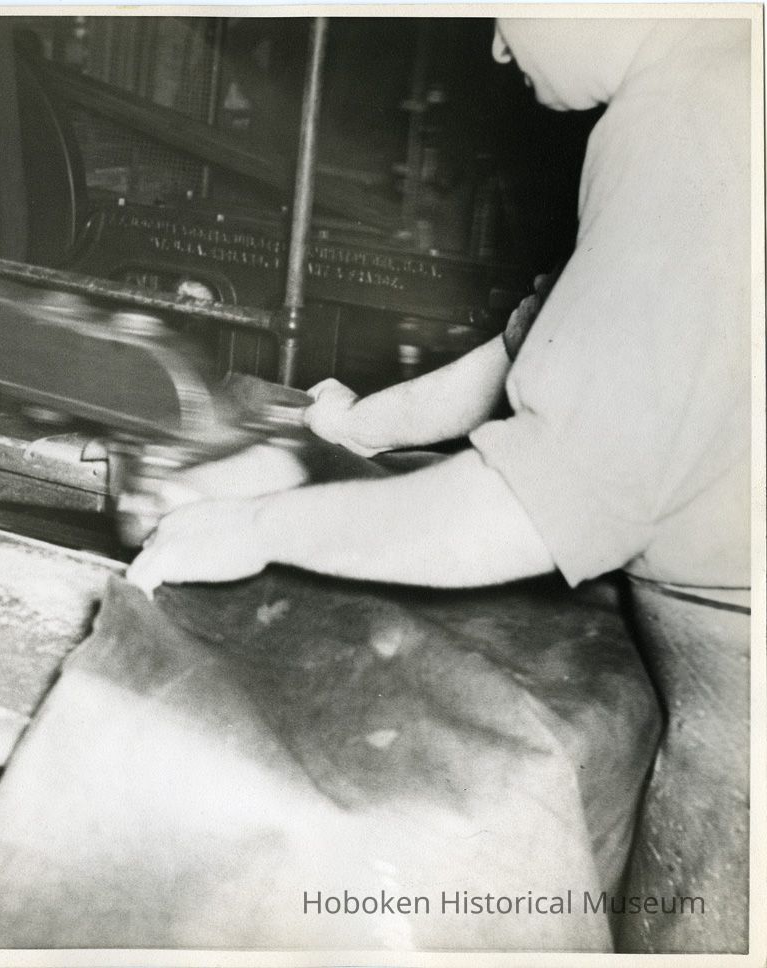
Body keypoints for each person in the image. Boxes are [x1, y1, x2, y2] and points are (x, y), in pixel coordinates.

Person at [128, 18, 752, 954]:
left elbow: (527, 512)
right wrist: (362, 427)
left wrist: (255, 526)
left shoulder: (683, 122)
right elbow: (538, 346)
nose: (496, 47)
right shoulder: (727, 77)